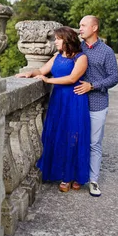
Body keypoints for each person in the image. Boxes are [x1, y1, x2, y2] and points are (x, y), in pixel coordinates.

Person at [16, 26, 90, 193]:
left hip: (74, 100)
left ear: (67, 39)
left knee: (73, 136)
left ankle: (71, 176)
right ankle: (61, 173)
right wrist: (29, 74)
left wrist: (48, 81)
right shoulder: (57, 56)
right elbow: (42, 70)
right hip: (58, 100)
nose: (55, 41)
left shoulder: (81, 58)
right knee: (58, 134)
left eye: (57, 38)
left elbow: (72, 78)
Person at [73, 15, 118, 197]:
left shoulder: (107, 51)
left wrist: (92, 86)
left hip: (97, 103)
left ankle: (93, 180)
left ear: (94, 28)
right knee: (76, 139)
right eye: (79, 25)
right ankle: (77, 175)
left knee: (94, 143)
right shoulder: (77, 49)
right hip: (77, 102)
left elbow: (114, 77)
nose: (80, 28)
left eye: (83, 25)